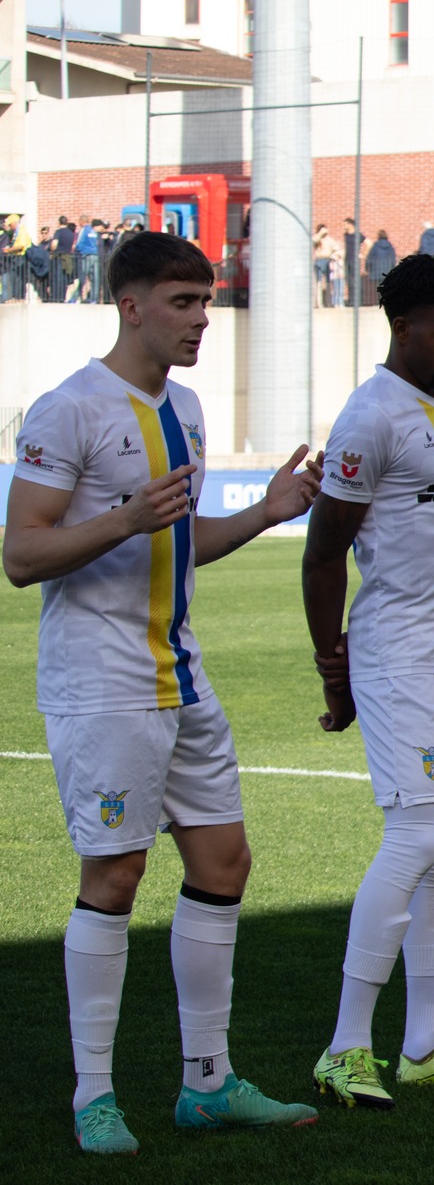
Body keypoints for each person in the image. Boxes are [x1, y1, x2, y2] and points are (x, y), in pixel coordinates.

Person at [3, 231, 324, 1155]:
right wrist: (124, 517)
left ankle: (207, 1083)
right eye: (183, 303)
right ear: (130, 303)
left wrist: (264, 513)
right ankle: (92, 1096)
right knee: (115, 874)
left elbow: (179, 546)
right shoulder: (67, 410)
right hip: (101, 682)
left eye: (207, 303)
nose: (200, 321)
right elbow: (21, 555)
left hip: (179, 672)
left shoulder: (184, 407)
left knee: (224, 864)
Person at [305, 253, 434, 1107]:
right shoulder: (370, 418)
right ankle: (344, 1045)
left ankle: (425, 1041)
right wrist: (334, 665)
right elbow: (323, 552)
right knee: (417, 839)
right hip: (399, 656)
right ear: (400, 325)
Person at [314, 225, 342, 308]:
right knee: (318, 282)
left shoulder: (329, 239)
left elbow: (336, 248)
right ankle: (319, 303)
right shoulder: (317, 238)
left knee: (328, 282)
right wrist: (320, 233)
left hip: (327, 260)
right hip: (319, 260)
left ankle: (329, 302)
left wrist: (335, 254)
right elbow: (313, 241)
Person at [365, 229, 397, 299]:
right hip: (387, 270)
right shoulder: (390, 246)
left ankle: (378, 300)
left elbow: (370, 258)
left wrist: (367, 267)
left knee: (377, 287)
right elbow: (393, 259)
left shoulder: (375, 246)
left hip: (376, 270)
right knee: (386, 287)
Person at [343, 218, 362, 307]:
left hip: (355, 260)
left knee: (356, 280)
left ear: (350, 224)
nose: (344, 226)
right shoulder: (346, 235)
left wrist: (362, 254)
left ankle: (358, 301)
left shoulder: (357, 235)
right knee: (349, 281)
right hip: (347, 260)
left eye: (345, 224)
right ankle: (351, 301)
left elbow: (368, 243)